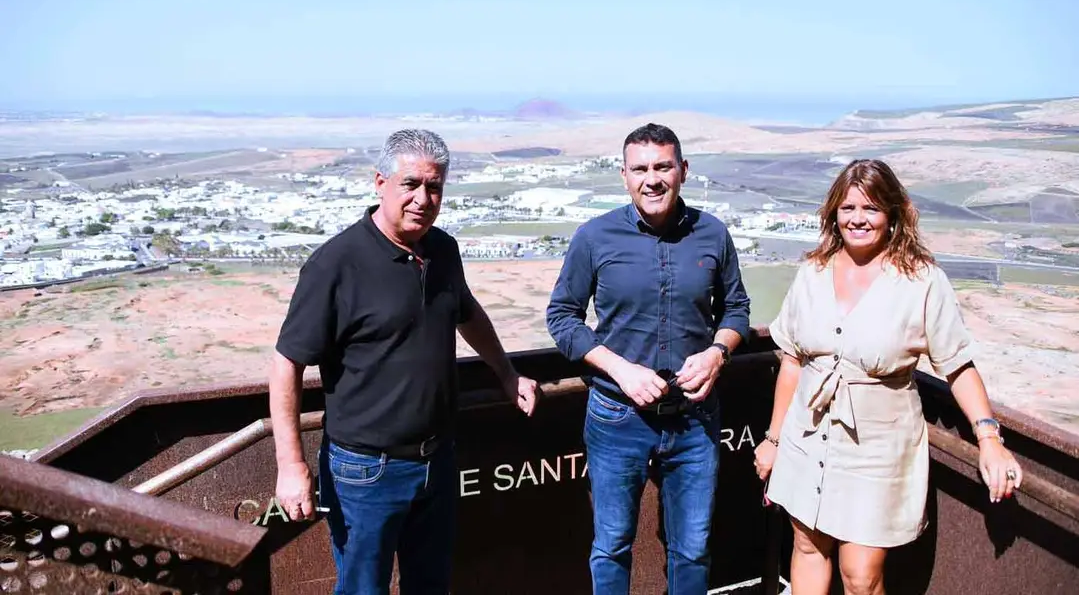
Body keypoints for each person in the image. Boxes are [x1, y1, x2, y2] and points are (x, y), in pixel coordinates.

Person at [269, 128, 539, 595]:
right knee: (363, 589)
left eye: (434, 187)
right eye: (410, 184)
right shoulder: (336, 264)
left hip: (437, 459)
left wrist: (506, 372)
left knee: (430, 586)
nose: (422, 199)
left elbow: (467, 313)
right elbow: (286, 364)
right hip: (365, 472)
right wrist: (291, 467)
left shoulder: (442, 249)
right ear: (380, 183)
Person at [752, 158, 1024, 595]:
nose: (858, 218)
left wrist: (989, 438)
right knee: (806, 547)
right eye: (848, 208)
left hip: (878, 448)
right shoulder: (813, 272)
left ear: (893, 214)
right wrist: (774, 439)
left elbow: (957, 365)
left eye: (871, 208)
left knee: (861, 574)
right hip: (809, 434)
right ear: (833, 214)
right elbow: (792, 360)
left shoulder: (921, 281)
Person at [546, 123, 752, 595]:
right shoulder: (595, 237)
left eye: (663, 167)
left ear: (683, 170)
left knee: (693, 548)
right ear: (623, 175)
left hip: (695, 417)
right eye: (640, 169)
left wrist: (718, 353)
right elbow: (562, 316)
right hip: (618, 416)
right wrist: (621, 369)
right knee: (613, 545)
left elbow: (736, 309)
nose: (652, 179)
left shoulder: (712, 234)